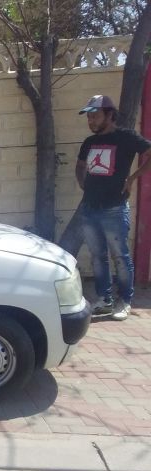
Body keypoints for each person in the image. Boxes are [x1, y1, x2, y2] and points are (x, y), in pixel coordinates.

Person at [76, 94, 151, 320]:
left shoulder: (125, 137)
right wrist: (83, 183)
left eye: (95, 116)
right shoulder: (90, 142)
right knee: (98, 256)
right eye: (89, 117)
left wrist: (132, 178)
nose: (91, 121)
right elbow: (80, 166)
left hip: (115, 209)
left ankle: (124, 301)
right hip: (90, 208)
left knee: (120, 256)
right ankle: (104, 299)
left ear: (109, 115)